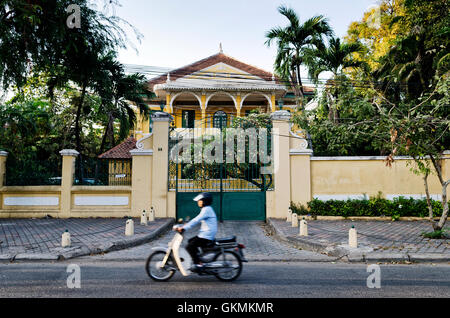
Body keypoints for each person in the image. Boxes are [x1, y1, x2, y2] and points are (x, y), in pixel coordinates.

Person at [175, 192, 217, 270]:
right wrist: (185, 225)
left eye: (200, 200)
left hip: (206, 235)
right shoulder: (206, 209)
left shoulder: (206, 210)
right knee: (190, 241)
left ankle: (198, 264)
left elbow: (196, 220)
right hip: (205, 234)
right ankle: (199, 258)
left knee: (189, 246)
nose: (198, 202)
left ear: (205, 201)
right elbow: (196, 220)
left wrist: (184, 228)